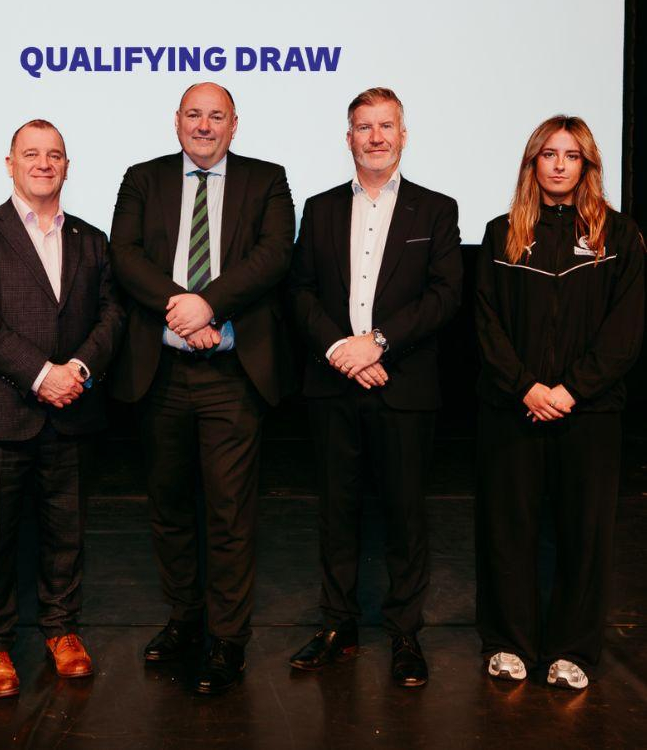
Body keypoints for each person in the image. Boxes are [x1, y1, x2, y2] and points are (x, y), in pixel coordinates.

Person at [110, 83, 294, 694]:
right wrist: (180, 309)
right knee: (168, 511)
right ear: (177, 121)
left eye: (217, 116)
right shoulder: (142, 178)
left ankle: (226, 639)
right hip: (160, 374)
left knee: (229, 514)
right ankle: (185, 620)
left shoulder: (268, 180)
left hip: (232, 379)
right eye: (195, 114)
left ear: (234, 125)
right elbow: (124, 255)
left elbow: (271, 257)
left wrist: (208, 305)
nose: (205, 126)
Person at [288, 87, 462, 687]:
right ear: (349, 137)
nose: (377, 137)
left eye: (387, 125)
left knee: (405, 516)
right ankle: (338, 626)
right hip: (333, 385)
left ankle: (404, 634)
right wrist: (342, 349)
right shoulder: (319, 208)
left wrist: (378, 342)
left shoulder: (436, 210)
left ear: (404, 134)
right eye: (365, 127)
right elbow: (301, 291)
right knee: (336, 513)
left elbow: (444, 295)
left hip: (403, 386)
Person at [0, 120, 125, 696]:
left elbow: (112, 315)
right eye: (32, 154)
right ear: (10, 163)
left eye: (54, 155)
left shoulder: (93, 240)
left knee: (66, 534)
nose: (43, 163)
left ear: (68, 166)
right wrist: (40, 373)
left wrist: (76, 370)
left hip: (73, 408)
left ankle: (62, 630)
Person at [475, 115, 644, 690]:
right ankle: (508, 643)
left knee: (584, 533)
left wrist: (571, 391)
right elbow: (486, 324)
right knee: (509, 529)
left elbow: (624, 334)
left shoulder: (619, 238)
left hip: (589, 413)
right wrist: (525, 386)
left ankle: (574, 649)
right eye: (548, 154)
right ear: (532, 163)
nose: (559, 164)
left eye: (571, 156)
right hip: (513, 407)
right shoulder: (501, 234)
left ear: (588, 166)